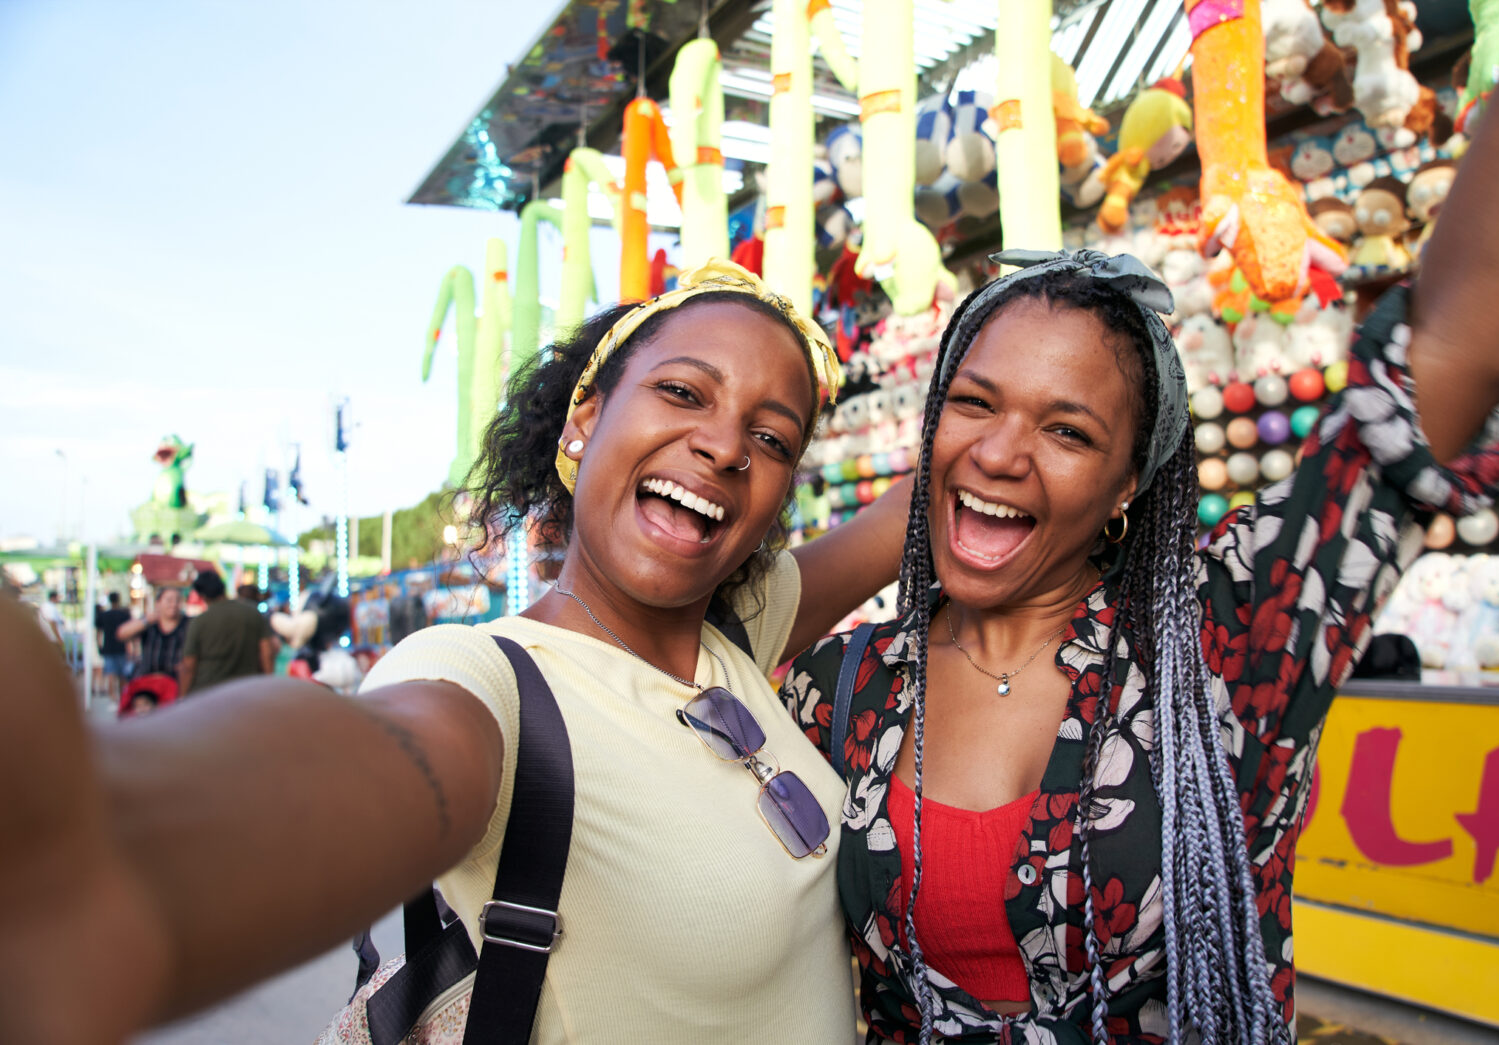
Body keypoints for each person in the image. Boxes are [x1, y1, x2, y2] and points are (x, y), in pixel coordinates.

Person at [780, 5, 1499, 1040]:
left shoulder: (1223, 640)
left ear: (1124, 486)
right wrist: (910, 505)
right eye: (972, 404)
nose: (1002, 450)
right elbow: (671, 655)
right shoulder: (840, 690)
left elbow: (1451, 350)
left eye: (1064, 429)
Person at [0, 259, 910, 1045]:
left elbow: (910, 511)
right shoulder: (491, 680)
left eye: (772, 437)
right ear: (583, 423)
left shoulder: (737, 637)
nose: (722, 444)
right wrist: (113, 843)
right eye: (682, 391)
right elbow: (385, 761)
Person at [179, 570, 273, 695]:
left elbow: (189, 665)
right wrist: (268, 687)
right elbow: (267, 653)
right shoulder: (253, 613)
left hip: (207, 694)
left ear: (202, 595)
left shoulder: (199, 622)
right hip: (247, 691)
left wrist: (183, 697)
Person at [118, 586, 190, 682]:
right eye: (169, 600)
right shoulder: (149, 624)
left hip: (178, 681)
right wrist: (146, 620)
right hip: (149, 680)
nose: (174, 604)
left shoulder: (188, 624)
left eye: (177, 600)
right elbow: (122, 634)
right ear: (158, 603)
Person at [95, 592, 133, 697]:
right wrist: (130, 649)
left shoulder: (104, 615)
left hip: (108, 647)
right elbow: (129, 634)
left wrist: (100, 647)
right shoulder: (124, 615)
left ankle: (112, 697)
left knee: (111, 674)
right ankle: (122, 696)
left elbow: (99, 633)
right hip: (121, 648)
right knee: (122, 674)